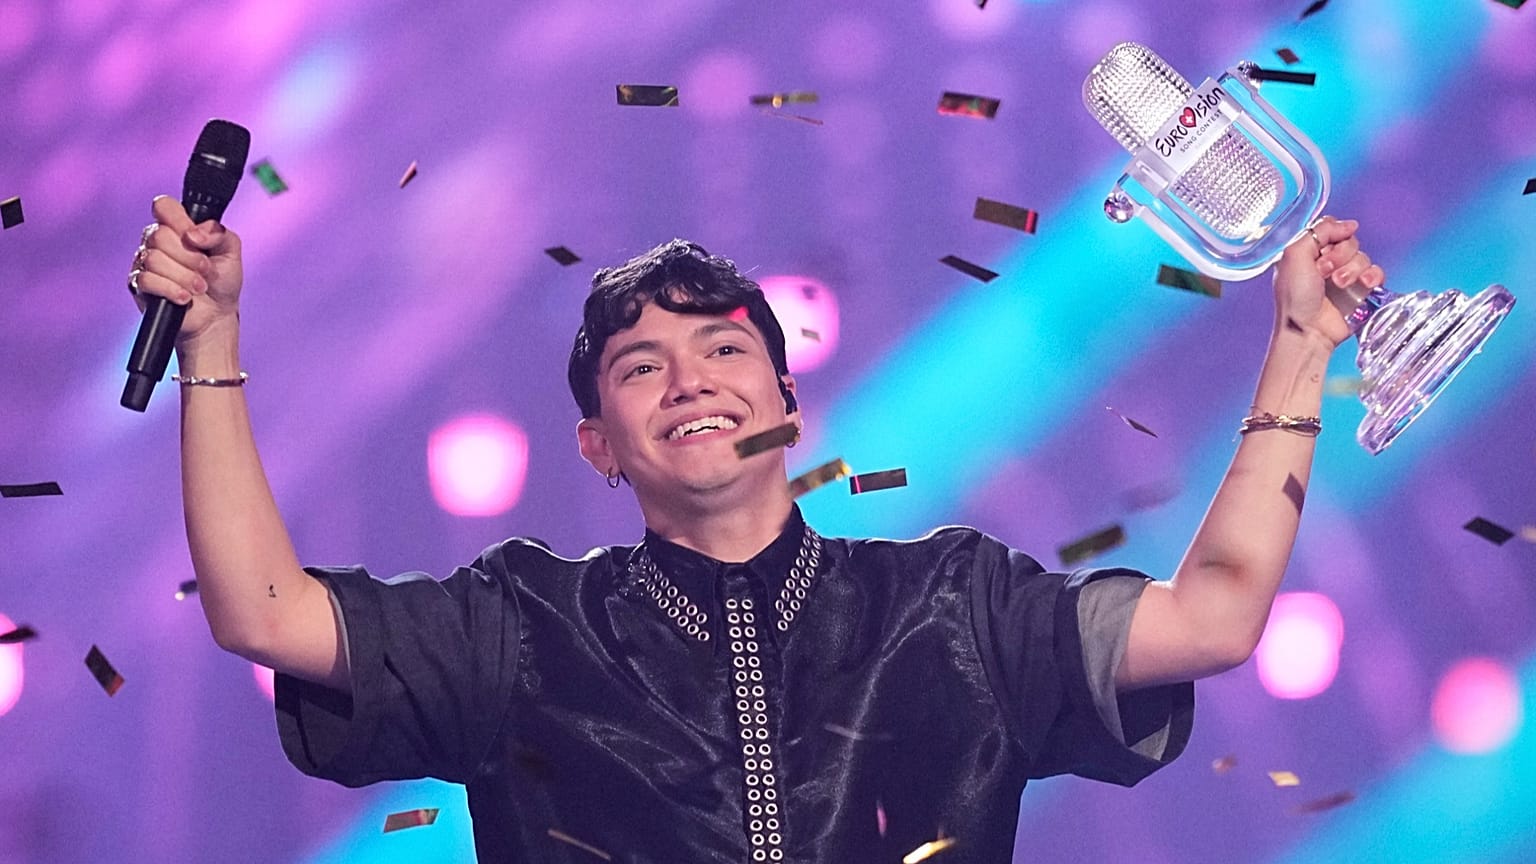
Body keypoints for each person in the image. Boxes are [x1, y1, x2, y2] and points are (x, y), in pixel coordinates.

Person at [127, 194, 1384, 863]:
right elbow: (266, 613)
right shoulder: (517, 626)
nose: (692, 381)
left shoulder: (953, 602)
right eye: (640, 367)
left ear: (787, 402)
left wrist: (1299, 346)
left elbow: (1216, 616)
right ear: (598, 447)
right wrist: (214, 343)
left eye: (726, 349)